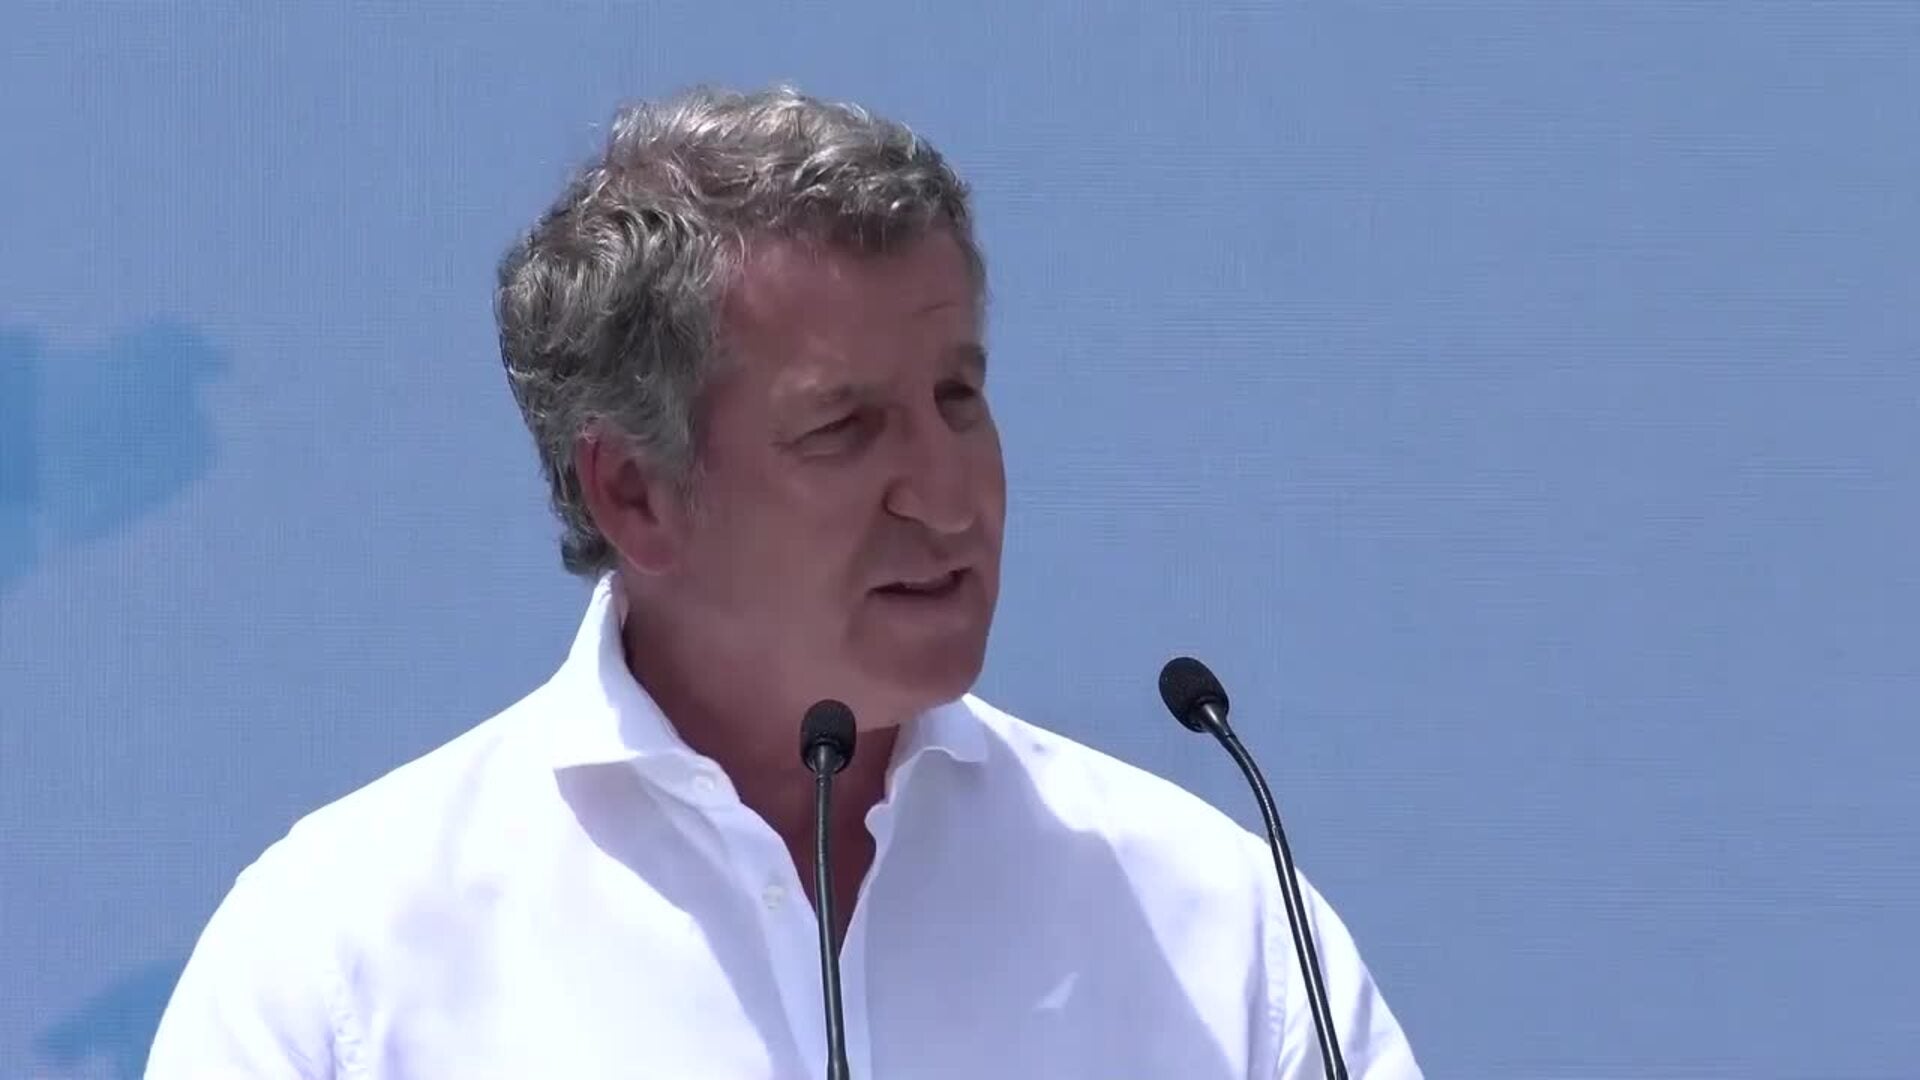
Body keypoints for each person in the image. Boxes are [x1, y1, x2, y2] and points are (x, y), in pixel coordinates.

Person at [147, 84, 1422, 1079]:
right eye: (842, 429)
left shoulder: (1213, 921)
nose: (948, 495)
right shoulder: (344, 959)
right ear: (636, 492)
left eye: (959, 398)